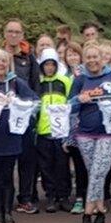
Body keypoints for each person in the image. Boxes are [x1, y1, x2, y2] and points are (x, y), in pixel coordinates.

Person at [69, 42, 111, 223]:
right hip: (85, 133)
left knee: (97, 171)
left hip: (109, 133)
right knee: (96, 173)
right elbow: (70, 105)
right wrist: (79, 99)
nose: (92, 61)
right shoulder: (80, 78)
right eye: (89, 58)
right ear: (84, 60)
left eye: (96, 57)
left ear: (102, 59)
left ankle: (87, 211)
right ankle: (100, 209)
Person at [0, 49, 38, 223]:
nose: (0, 64)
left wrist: (22, 112)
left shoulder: (16, 83)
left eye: (3, 61)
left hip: (11, 136)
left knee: (7, 175)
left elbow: (35, 101)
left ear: (8, 64)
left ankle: (8, 212)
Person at [3, 19, 42, 214]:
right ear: (4, 34)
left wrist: (33, 110)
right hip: (3, 116)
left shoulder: (29, 58)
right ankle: (6, 197)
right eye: (10, 31)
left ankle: (25, 198)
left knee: (27, 158)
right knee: (7, 159)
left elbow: (36, 86)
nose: (13, 35)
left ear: (22, 35)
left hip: (25, 116)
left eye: (17, 32)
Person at [36, 48, 72, 213]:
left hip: (61, 131)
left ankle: (63, 196)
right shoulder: (38, 83)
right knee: (46, 165)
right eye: (46, 65)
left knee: (62, 165)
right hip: (43, 130)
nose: (49, 68)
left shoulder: (65, 81)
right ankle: (50, 195)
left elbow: (71, 103)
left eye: (52, 64)